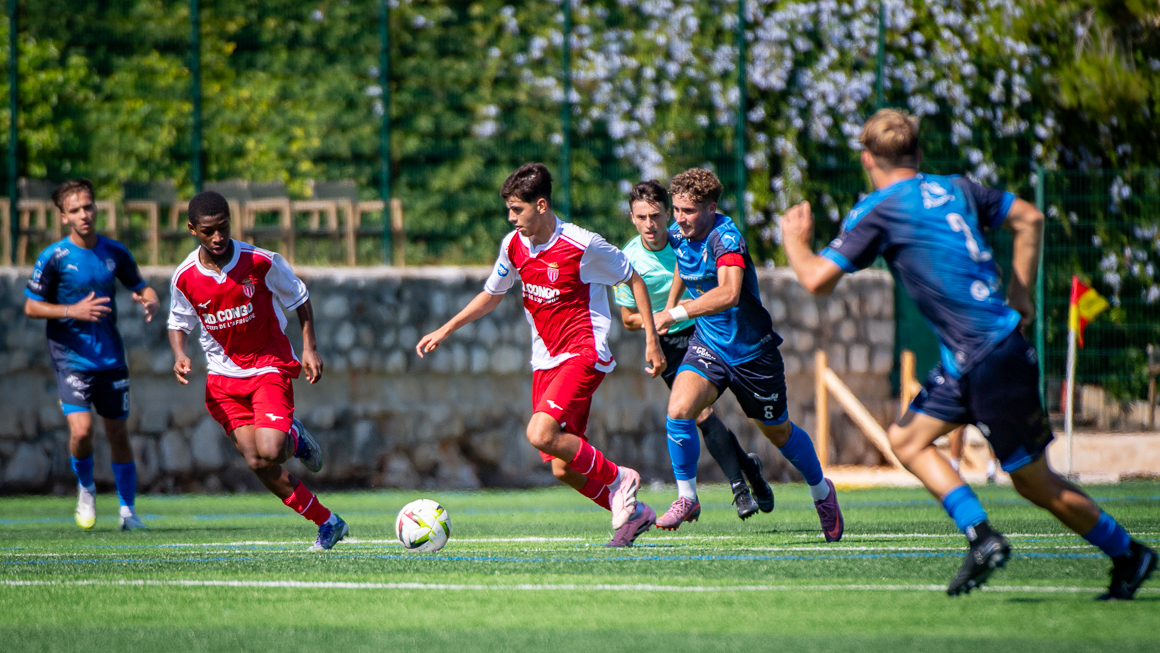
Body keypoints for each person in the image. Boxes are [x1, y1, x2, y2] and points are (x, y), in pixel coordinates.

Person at [780, 108, 1156, 599]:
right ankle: (981, 536)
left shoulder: (880, 208)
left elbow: (815, 280)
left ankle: (1129, 553)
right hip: (978, 355)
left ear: (867, 158)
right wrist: (1022, 298)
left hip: (987, 356)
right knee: (908, 439)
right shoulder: (955, 188)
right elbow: (1029, 217)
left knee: (1034, 483)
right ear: (918, 154)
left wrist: (793, 241)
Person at [417, 163, 666, 547]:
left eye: (517, 209)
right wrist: (445, 329)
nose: (511, 218)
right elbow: (492, 294)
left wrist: (651, 340)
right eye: (509, 210)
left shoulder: (583, 245)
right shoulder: (513, 245)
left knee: (540, 432)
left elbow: (633, 278)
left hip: (584, 352)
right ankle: (635, 514)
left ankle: (621, 479)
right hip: (546, 361)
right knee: (563, 467)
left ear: (542, 205)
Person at [652, 168, 844, 539]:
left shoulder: (726, 239)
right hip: (709, 346)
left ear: (711, 207)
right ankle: (687, 497)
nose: (679, 218)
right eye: (676, 209)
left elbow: (729, 294)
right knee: (678, 409)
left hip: (752, 354)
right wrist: (673, 303)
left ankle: (822, 491)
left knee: (779, 433)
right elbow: (683, 262)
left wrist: (675, 313)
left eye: (689, 211)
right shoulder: (679, 234)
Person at [167, 191, 345, 551]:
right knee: (256, 460)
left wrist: (309, 347)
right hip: (222, 379)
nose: (217, 238)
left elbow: (299, 297)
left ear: (231, 221)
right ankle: (328, 522)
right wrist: (179, 353)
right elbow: (178, 321)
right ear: (191, 230)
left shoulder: (260, 262)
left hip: (267, 366)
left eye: (223, 228)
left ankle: (293, 437)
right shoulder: (185, 277)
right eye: (208, 231)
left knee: (272, 447)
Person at [613, 180, 774, 521]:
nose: (649, 224)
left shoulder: (682, 237)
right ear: (631, 217)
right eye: (641, 217)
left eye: (655, 215)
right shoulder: (627, 258)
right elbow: (628, 319)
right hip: (669, 344)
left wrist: (675, 307)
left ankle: (742, 482)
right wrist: (655, 327)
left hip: (702, 330)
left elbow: (688, 268)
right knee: (699, 415)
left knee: (705, 414)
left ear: (666, 214)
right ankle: (744, 479)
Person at [24, 179, 160, 531]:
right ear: (64, 217)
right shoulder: (53, 258)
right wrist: (72, 311)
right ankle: (86, 488)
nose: (84, 214)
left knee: (118, 434)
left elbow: (138, 284)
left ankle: (128, 512)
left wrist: (150, 297)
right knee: (82, 431)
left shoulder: (114, 252)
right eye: (75, 210)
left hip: (111, 358)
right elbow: (31, 306)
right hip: (71, 358)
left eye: (88, 206)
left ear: (96, 208)